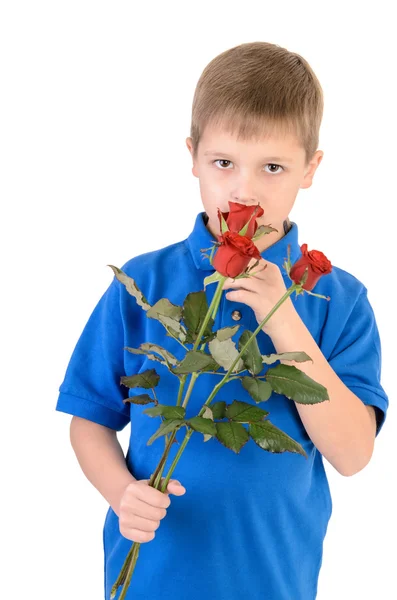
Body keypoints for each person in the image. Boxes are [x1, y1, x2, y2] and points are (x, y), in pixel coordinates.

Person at [55, 41, 388, 600]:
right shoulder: (144, 282)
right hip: (152, 576)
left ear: (311, 168)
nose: (245, 192)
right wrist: (120, 492)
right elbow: (88, 417)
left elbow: (353, 455)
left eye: (273, 167)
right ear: (193, 157)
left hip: (273, 579)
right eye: (224, 162)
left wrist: (283, 319)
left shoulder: (341, 299)